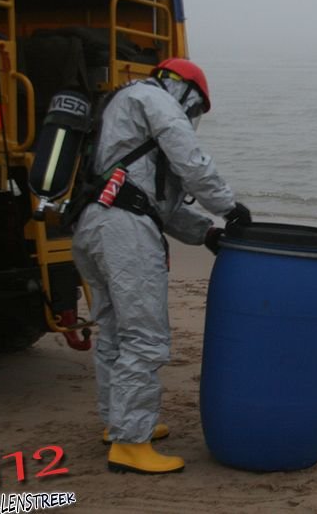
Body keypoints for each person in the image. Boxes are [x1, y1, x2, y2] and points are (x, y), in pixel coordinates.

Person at [71, 58, 251, 474]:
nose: (192, 118)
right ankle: (131, 445)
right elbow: (190, 160)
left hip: (93, 223)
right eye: (195, 109)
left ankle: (118, 425)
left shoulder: (119, 109)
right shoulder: (153, 97)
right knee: (146, 337)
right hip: (124, 232)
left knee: (116, 331)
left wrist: (205, 232)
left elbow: (156, 201)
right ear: (187, 92)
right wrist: (228, 206)